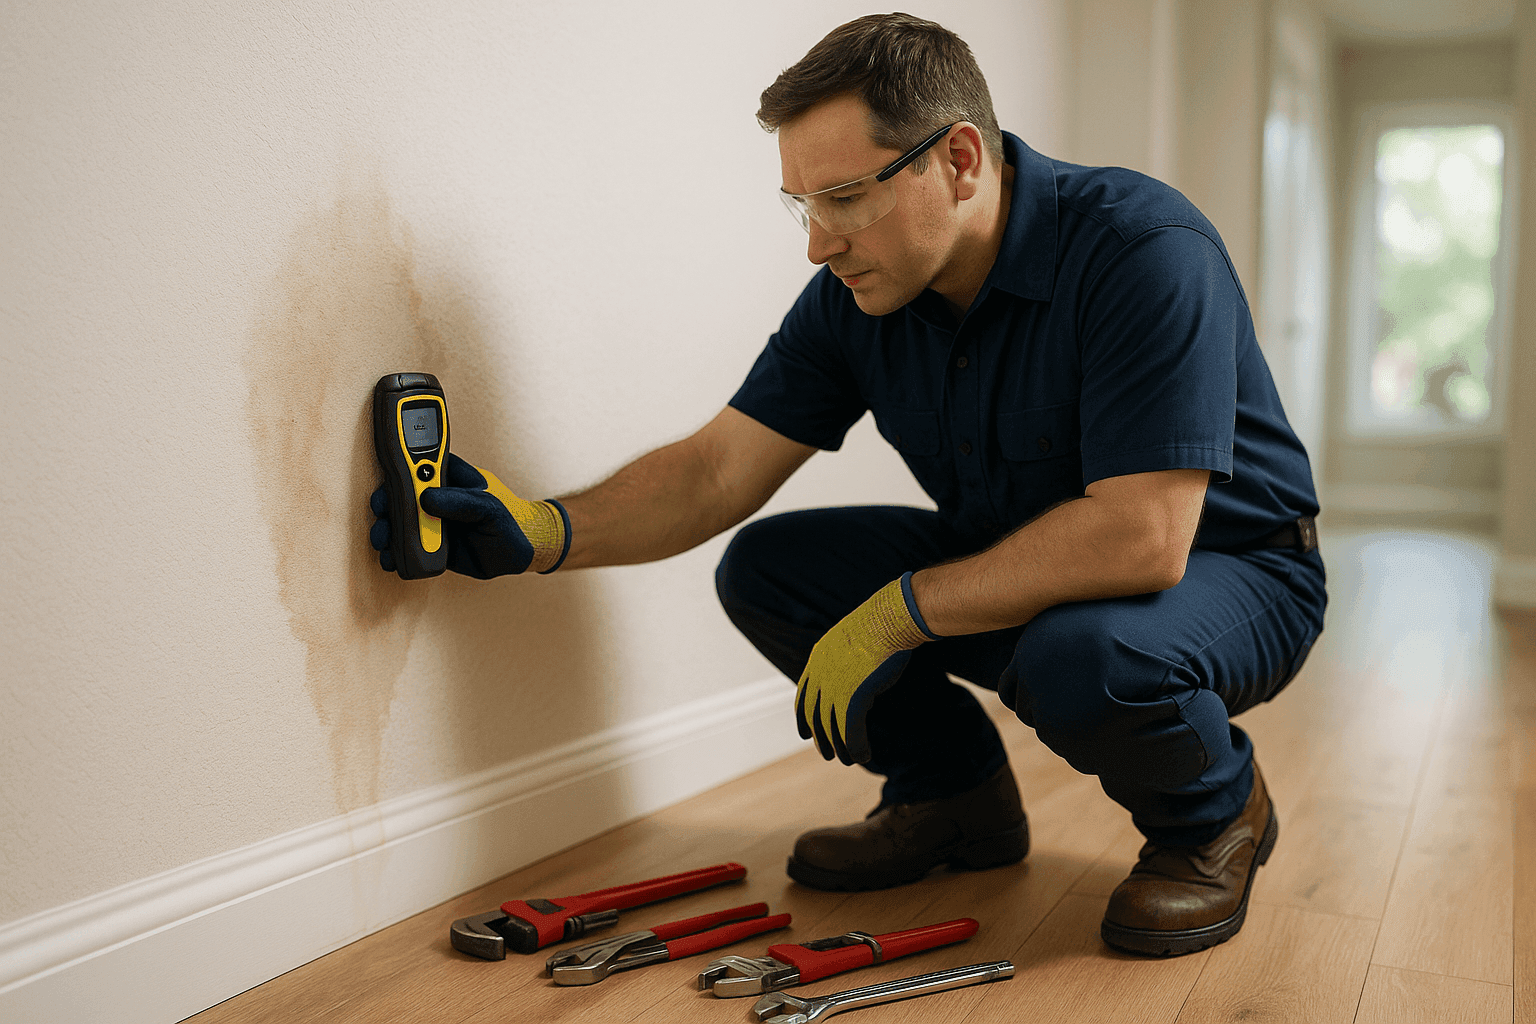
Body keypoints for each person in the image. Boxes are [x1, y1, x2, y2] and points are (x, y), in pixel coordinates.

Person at [369, 13, 1326, 957]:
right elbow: (714, 470)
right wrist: (542, 529)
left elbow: (1140, 539)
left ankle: (1213, 817)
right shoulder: (859, 297)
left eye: (845, 198)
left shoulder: (1142, 249)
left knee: (1084, 655)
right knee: (771, 568)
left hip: (1229, 572)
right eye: (802, 204)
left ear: (958, 160)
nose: (819, 244)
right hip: (1024, 567)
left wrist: (898, 614)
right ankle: (954, 800)